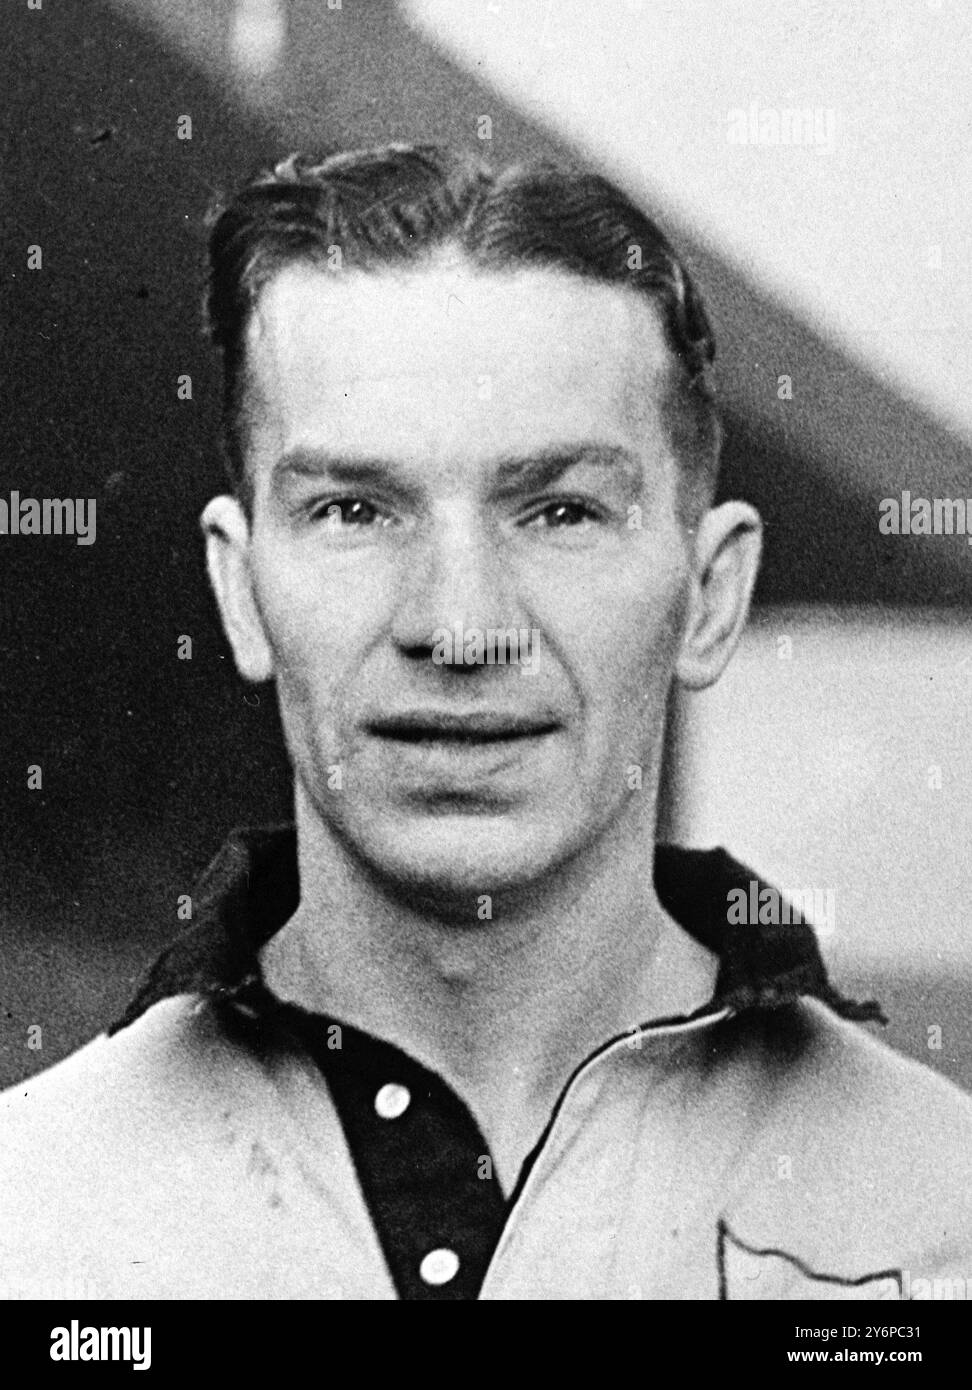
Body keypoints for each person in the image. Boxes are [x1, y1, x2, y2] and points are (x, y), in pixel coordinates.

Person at [2, 146, 970, 1302]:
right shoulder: (28, 1217)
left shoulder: (944, 1215)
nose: (460, 628)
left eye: (559, 511)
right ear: (240, 592)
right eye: (354, 510)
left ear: (709, 595)